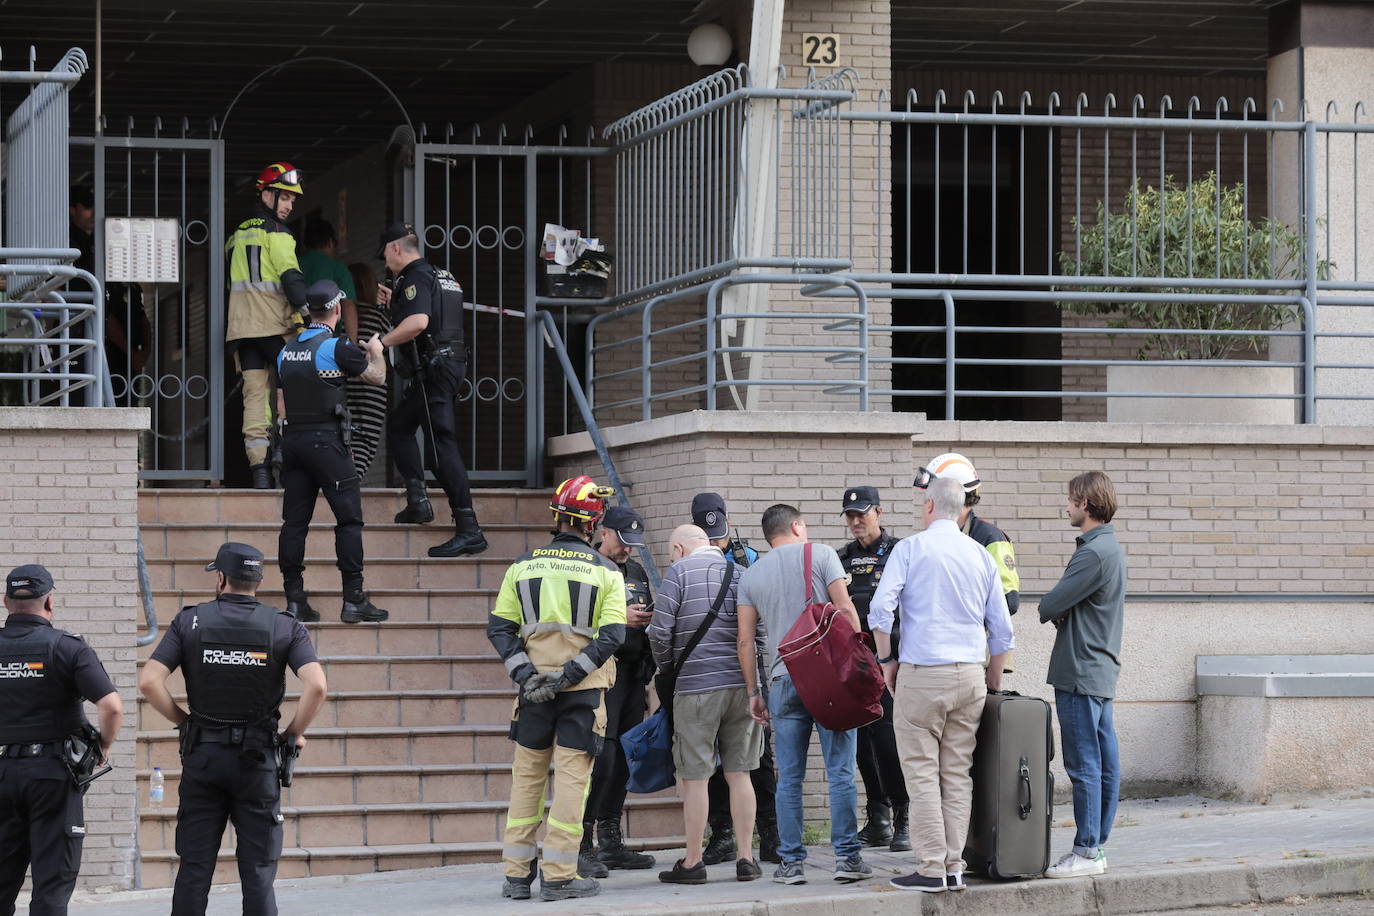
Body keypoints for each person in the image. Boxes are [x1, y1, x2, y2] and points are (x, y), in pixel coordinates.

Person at [138, 542, 328, 916]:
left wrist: (183, 722)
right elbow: (317, 686)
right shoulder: (283, 626)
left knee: (194, 869)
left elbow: (148, 682)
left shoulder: (190, 621)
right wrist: (292, 734)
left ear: (221, 578)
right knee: (258, 872)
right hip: (257, 762)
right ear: (258, 580)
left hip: (204, 758)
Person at [868, 477, 1014, 893]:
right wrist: (990, 678)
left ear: (930, 505)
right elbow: (1002, 631)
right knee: (957, 774)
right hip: (969, 673)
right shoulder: (980, 555)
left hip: (922, 673)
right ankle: (954, 866)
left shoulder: (910, 549)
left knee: (921, 774)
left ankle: (931, 868)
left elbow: (880, 612)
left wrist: (886, 661)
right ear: (963, 508)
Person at [487, 476, 627, 902]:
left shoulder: (521, 566)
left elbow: (500, 628)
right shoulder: (607, 571)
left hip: (532, 695)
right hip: (582, 695)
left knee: (526, 779)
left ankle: (515, 875)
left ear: (557, 516)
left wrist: (529, 677)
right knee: (570, 783)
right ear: (594, 523)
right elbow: (614, 636)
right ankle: (560, 876)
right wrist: (568, 677)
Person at [736, 504, 872, 886]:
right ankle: (847, 859)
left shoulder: (751, 575)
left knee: (790, 777)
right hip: (828, 680)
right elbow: (844, 609)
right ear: (797, 527)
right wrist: (861, 661)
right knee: (840, 772)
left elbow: (746, 641)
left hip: (782, 681)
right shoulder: (823, 554)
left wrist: (753, 692)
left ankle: (791, 864)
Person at [0, 564, 124, 916]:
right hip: (53, 777)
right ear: (49, 602)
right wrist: (103, 748)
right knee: (52, 887)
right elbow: (112, 708)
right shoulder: (67, 647)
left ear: (6, 601)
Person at [649, 525, 762, 885]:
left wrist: (669, 667)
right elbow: (758, 634)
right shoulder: (743, 574)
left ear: (680, 548)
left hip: (695, 687)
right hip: (741, 688)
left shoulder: (679, 573)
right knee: (740, 773)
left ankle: (693, 862)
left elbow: (659, 632)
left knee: (695, 778)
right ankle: (746, 858)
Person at [275, 279, 388, 625]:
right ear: (337, 310)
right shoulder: (338, 347)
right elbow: (376, 378)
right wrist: (378, 352)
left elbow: (280, 405)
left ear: (309, 312)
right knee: (349, 520)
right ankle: (353, 600)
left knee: (294, 523)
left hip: (292, 443)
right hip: (327, 444)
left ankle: (295, 600)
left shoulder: (285, 351)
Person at [376, 223, 486, 558]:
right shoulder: (441, 274)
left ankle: (469, 529)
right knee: (399, 426)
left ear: (396, 248)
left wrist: (380, 342)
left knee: (440, 446)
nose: (384, 261)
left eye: (384, 253)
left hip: (435, 370)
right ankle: (418, 502)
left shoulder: (415, 276)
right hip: (446, 365)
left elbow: (419, 323)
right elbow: (434, 317)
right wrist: (394, 299)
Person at [1039, 470, 1126, 880]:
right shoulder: (1110, 548)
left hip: (1080, 669)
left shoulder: (1092, 552)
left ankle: (1087, 850)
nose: (1067, 506)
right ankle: (1097, 845)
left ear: (1086, 504)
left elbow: (1051, 602)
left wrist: (1054, 609)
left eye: (1072, 500)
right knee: (1103, 762)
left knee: (1084, 763)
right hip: (1098, 668)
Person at [689, 492, 778, 865]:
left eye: (719, 532)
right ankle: (723, 833)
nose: (716, 540)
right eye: (708, 534)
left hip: (748, 675)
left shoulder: (752, 559)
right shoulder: (688, 562)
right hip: (710, 676)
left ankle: (771, 835)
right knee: (711, 764)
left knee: (757, 759)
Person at [836, 485, 910, 853]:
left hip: (891, 662)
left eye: (861, 514)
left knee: (888, 739)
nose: (854, 522)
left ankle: (903, 814)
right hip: (855, 665)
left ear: (880, 512)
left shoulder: (899, 552)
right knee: (862, 742)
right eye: (849, 516)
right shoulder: (841, 559)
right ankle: (877, 815)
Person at [226, 162, 308, 489]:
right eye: (284, 198)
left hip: (243, 333)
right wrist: (312, 318)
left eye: (292, 200)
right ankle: (283, 455)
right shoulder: (278, 234)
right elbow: (291, 278)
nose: (288, 206)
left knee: (254, 399)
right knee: (293, 391)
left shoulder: (235, 236)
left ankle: (259, 472)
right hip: (277, 327)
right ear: (265, 192)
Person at [584, 506, 656, 874]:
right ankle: (583, 841)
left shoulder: (637, 571)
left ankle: (610, 839)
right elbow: (574, 620)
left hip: (632, 674)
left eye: (633, 544)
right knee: (601, 759)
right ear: (604, 532)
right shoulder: (588, 567)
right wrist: (618, 617)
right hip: (600, 674)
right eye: (623, 542)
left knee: (625, 757)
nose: (627, 549)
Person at [916, 452, 1022, 672]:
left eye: (930, 494)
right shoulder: (937, 537)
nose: (926, 501)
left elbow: (1009, 601)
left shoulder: (990, 538)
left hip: (977, 656)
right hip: (941, 652)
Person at [344, 262, 392, 477]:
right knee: (366, 437)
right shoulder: (378, 316)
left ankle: (343, 475)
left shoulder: (344, 316)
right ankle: (353, 478)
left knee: (346, 433)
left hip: (346, 381)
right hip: (371, 384)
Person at [298, 220, 359, 343]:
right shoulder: (338, 268)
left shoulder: (294, 265)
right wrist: (352, 344)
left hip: (296, 337)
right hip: (328, 340)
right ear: (331, 242)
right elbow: (348, 305)